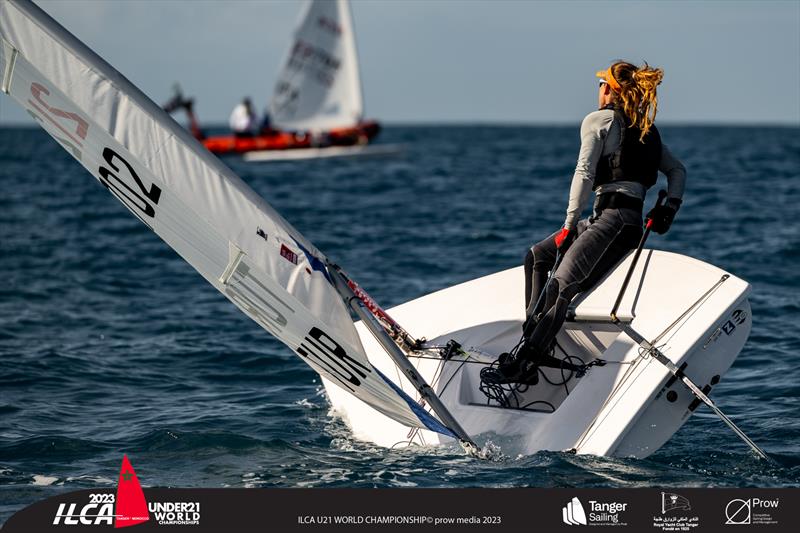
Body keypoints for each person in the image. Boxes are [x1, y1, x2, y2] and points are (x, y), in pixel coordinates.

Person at [482, 61, 686, 385]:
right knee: (537, 256)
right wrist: (670, 208)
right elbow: (678, 172)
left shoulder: (599, 120)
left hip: (614, 221)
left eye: (601, 84)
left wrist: (568, 225)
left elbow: (584, 173)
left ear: (609, 89)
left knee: (561, 284)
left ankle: (527, 362)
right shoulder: (647, 131)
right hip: (610, 219)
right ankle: (533, 340)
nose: (598, 89)